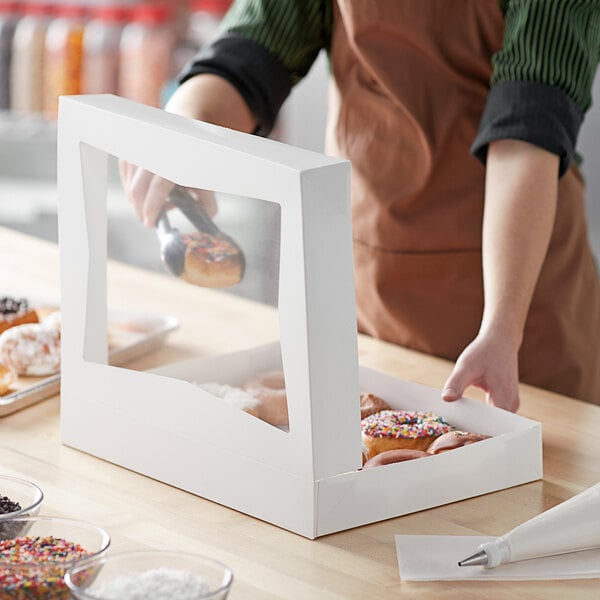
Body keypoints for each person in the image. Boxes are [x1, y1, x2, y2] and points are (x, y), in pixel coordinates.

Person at [120, 0, 600, 412]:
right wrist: (182, 130)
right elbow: (250, 55)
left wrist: (503, 326)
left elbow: (528, 128)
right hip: (368, 286)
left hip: (520, 310)